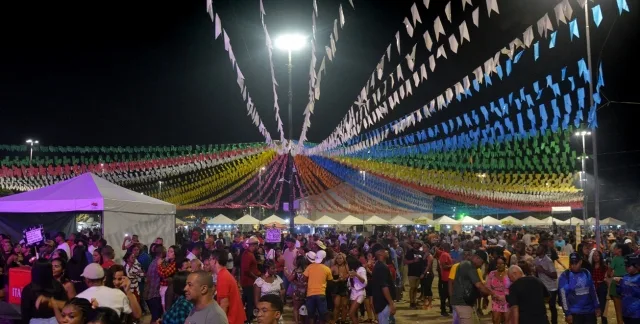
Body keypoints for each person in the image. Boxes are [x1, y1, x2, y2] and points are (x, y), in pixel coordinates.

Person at [450, 250, 500, 324]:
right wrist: (493, 294)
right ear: (477, 258)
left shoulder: (464, 264)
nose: (481, 265)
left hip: (459, 302)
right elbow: (479, 285)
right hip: (463, 303)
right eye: (482, 263)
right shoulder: (470, 266)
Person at [76, 263, 140, 319]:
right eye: (114, 279)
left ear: (86, 280)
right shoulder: (119, 294)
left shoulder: (78, 298)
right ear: (104, 278)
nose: (117, 282)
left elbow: (137, 315)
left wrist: (128, 292)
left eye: (120, 279)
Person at [21, 259, 69, 323]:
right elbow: (65, 304)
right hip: (56, 320)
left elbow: (25, 313)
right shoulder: (58, 285)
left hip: (38, 320)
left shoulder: (28, 289)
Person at [558, 252, 600, 324]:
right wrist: (567, 313)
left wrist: (597, 306)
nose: (573, 266)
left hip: (589, 311)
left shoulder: (586, 273)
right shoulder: (565, 276)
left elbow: (592, 291)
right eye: (572, 263)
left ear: (580, 262)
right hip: (575, 313)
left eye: (576, 263)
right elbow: (563, 296)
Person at [211, 250, 246, 324]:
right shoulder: (224, 273)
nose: (209, 262)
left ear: (215, 261)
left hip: (232, 319)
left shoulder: (222, 276)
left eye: (210, 259)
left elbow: (224, 303)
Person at [303, 250, 332, 324]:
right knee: (322, 315)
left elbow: (304, 278)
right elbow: (330, 282)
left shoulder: (309, 267)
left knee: (311, 315)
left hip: (310, 294)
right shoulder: (327, 269)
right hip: (321, 294)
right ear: (324, 259)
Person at [370, 247, 396, 324]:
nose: (387, 252)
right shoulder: (381, 267)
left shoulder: (378, 266)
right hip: (383, 303)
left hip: (381, 302)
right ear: (380, 254)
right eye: (385, 251)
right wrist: (391, 303)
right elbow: (384, 286)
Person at [534, 244, 559, 324]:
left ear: (543, 251)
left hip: (551, 287)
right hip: (542, 287)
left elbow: (555, 275)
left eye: (539, 248)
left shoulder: (548, 260)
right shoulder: (536, 259)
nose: (537, 249)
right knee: (541, 306)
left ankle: (554, 322)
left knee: (552, 306)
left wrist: (543, 270)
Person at [241, 236, 261, 322]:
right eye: (257, 245)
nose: (258, 247)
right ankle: (248, 319)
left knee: (248, 300)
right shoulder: (248, 254)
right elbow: (246, 270)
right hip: (248, 282)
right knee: (250, 301)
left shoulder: (249, 253)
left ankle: (247, 317)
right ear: (254, 245)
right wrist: (256, 277)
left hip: (248, 281)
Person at [616, 254, 640, 323]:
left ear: (636, 266)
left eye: (628, 266)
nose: (626, 268)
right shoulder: (625, 277)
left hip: (637, 313)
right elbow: (620, 293)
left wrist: (631, 287)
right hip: (626, 312)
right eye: (625, 266)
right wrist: (618, 285)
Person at [486, 256, 510, 324]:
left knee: (506, 320)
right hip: (495, 298)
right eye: (498, 263)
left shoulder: (509, 273)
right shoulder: (492, 273)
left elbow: (514, 286)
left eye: (501, 263)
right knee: (495, 320)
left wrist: (506, 296)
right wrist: (493, 294)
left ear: (505, 264)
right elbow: (488, 286)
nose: (500, 265)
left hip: (507, 299)